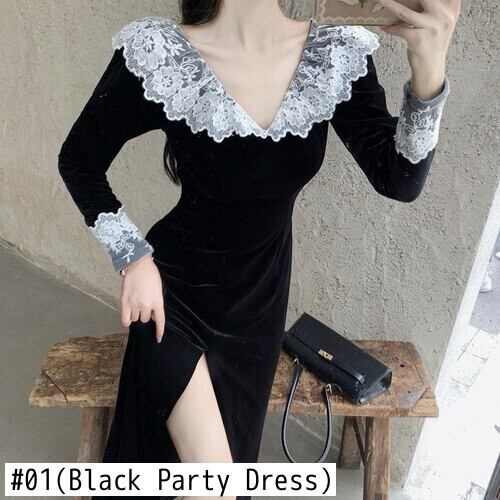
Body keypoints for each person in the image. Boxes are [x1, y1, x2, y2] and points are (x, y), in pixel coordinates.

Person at [57, 0, 458, 498]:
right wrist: (133, 258)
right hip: (173, 297)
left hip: (259, 308)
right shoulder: (161, 53)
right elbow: (78, 161)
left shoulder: (333, 55)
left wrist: (428, 65)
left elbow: (399, 179)